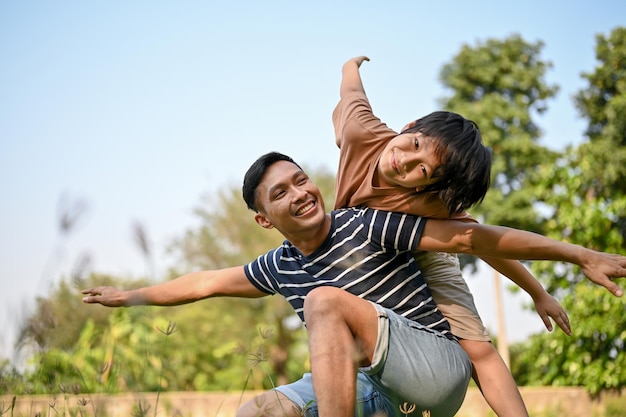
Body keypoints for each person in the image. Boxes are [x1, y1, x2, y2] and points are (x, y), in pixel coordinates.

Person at [82, 152, 626, 417]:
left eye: (300, 179)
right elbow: (204, 283)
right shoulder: (277, 266)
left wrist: (576, 257)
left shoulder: (363, 223)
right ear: (265, 220)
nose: (299, 191)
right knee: (255, 413)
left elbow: (474, 238)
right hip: (363, 389)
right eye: (280, 193)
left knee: (323, 303)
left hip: (432, 367)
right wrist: (128, 296)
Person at [331, 55, 575, 417]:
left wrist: (537, 292)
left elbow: (482, 243)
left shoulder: (434, 204)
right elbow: (352, 92)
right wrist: (350, 65)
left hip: (428, 249)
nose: (406, 163)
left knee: (478, 350)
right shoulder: (360, 132)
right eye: (414, 146)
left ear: (431, 186)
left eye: (423, 170)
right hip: (369, 242)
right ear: (410, 126)